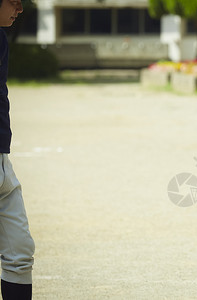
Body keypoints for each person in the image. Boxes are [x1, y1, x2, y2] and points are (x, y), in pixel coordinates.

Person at [0, 0, 35, 299]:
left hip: (1, 160)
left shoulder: (0, 38)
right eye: (13, 1)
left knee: (19, 253)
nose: (20, 9)